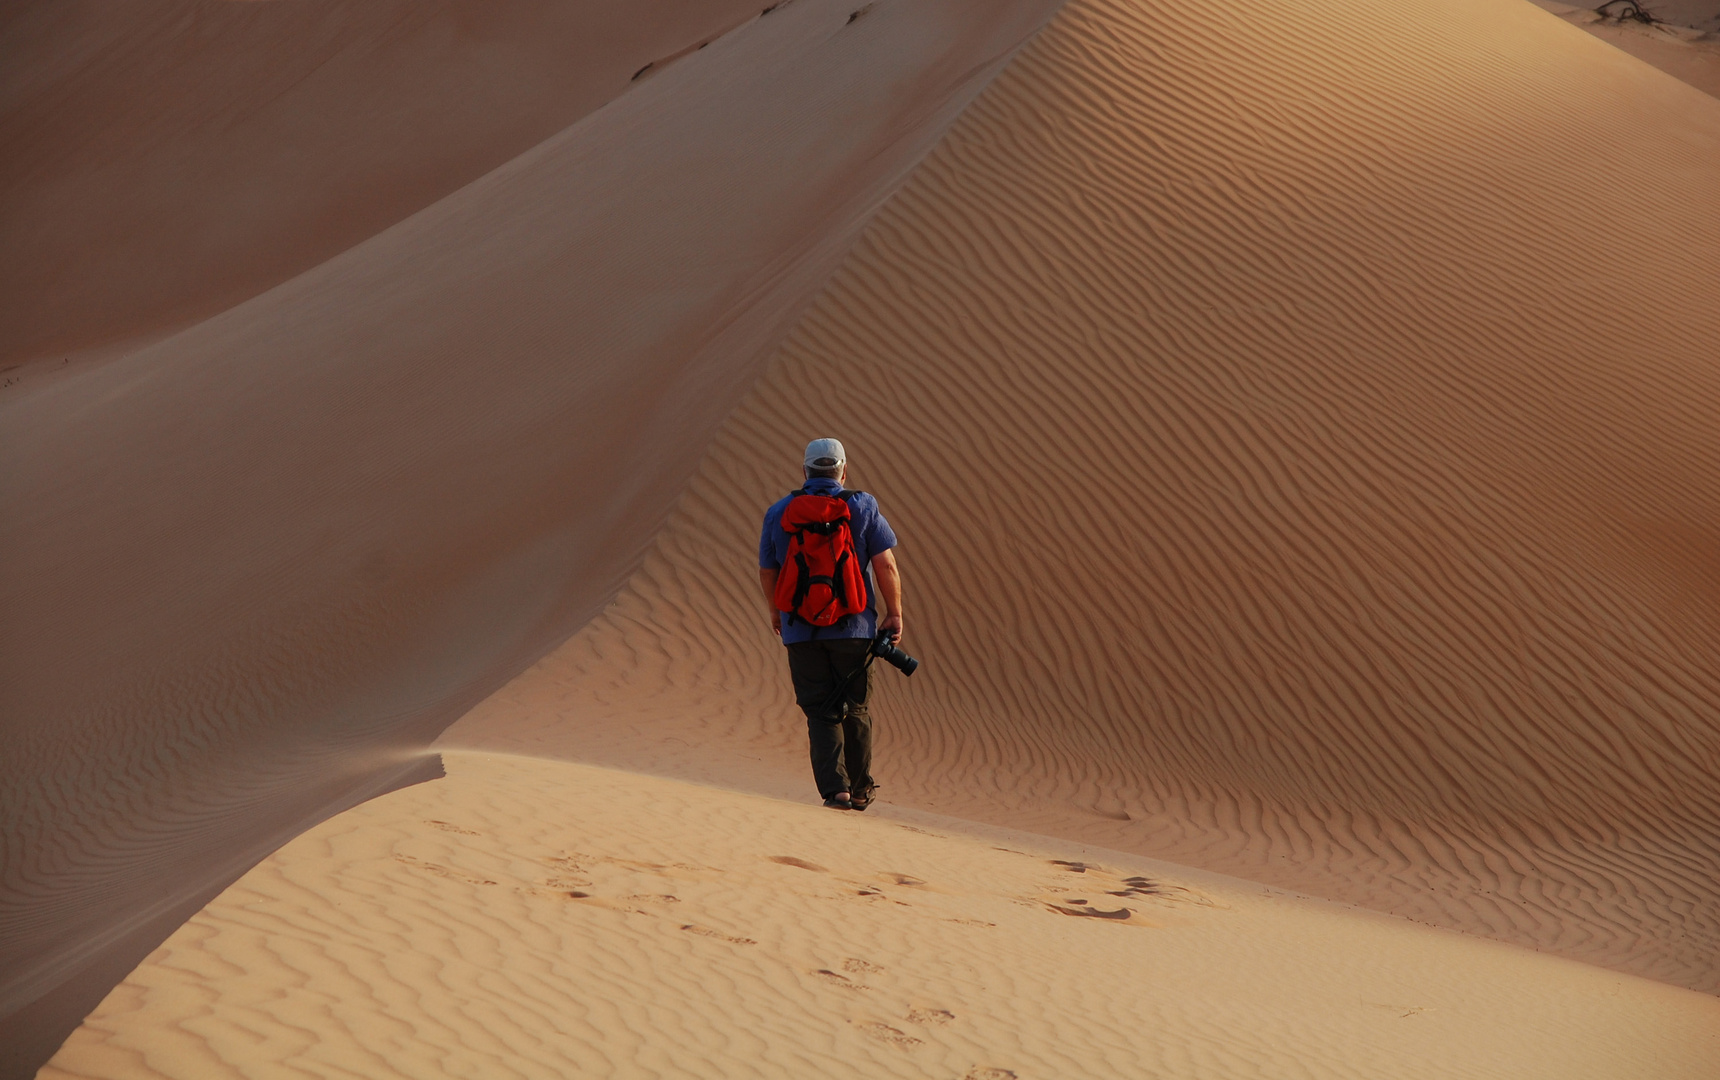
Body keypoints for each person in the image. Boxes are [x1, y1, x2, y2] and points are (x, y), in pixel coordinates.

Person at [758, 438, 902, 810]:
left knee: (820, 712)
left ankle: (834, 790)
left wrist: (777, 612)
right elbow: (885, 563)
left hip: (800, 629)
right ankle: (859, 788)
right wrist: (894, 611)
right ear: (843, 470)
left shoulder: (779, 511)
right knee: (855, 708)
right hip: (854, 628)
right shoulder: (862, 505)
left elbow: (768, 568)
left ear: (805, 472)